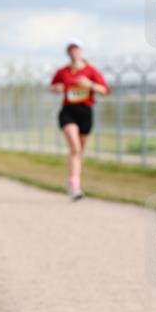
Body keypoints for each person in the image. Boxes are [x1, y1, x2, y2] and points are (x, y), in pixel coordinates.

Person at [49, 39, 109, 200]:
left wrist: (90, 85)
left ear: (81, 51)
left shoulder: (91, 71)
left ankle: (75, 180)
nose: (73, 52)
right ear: (68, 53)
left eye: (76, 49)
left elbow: (104, 90)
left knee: (79, 151)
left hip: (85, 111)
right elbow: (52, 87)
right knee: (74, 147)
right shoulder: (63, 72)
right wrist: (58, 88)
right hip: (68, 111)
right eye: (70, 50)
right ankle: (74, 186)